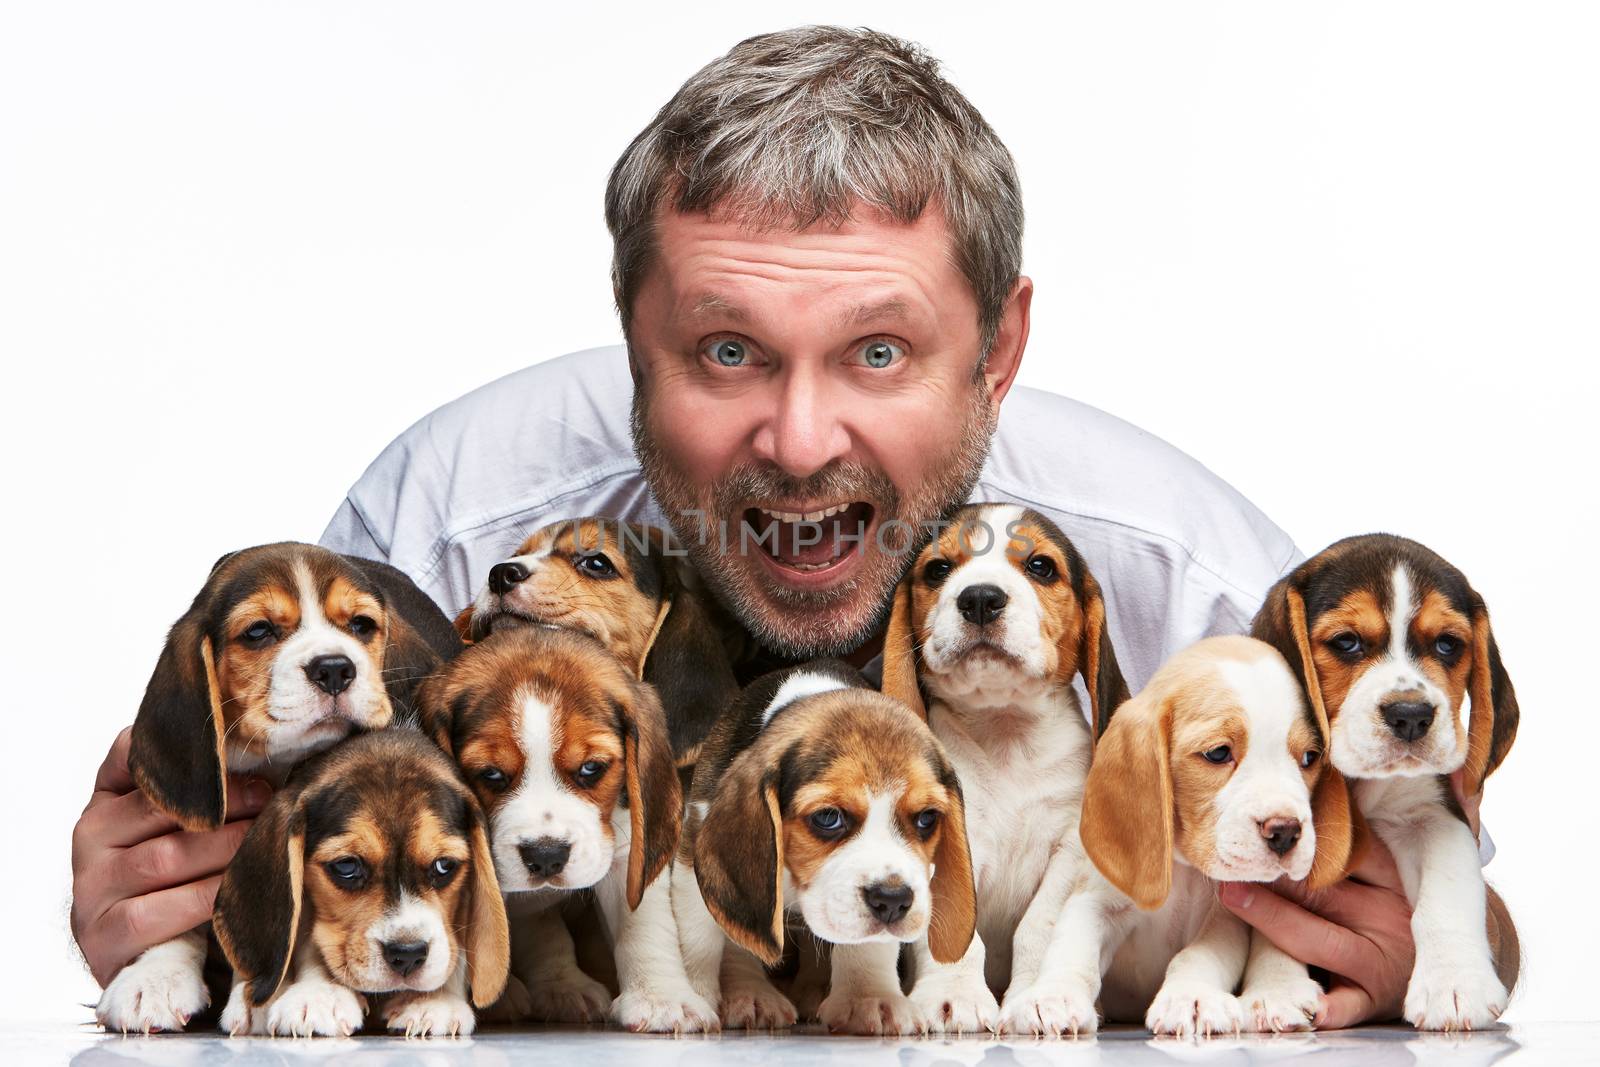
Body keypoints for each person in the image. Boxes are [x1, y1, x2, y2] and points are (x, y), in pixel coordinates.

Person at [72, 25, 1444, 1030]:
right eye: (726, 352)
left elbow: (1453, 880)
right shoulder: (441, 537)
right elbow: (311, 885)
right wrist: (182, 904)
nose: (798, 442)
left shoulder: (1177, 568)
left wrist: (1399, 950)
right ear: (631, 344)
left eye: (880, 354)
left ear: (1002, 348)